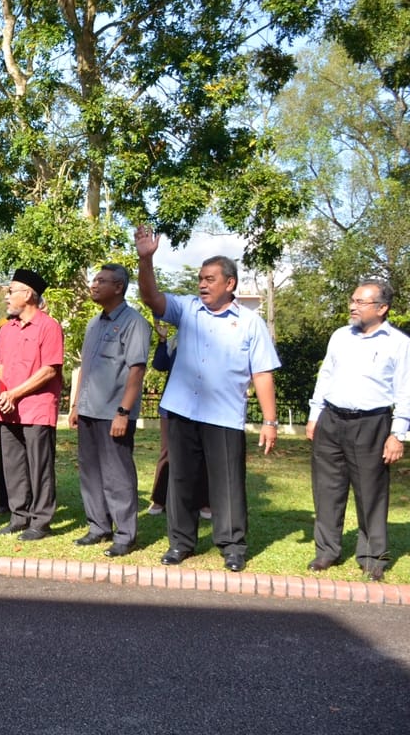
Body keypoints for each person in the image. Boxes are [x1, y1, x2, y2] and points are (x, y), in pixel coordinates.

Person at [134, 225, 280, 573]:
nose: (202, 284)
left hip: (224, 416)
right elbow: (151, 298)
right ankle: (180, 543)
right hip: (183, 411)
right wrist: (145, 261)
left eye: (210, 279)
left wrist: (270, 422)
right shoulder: (187, 309)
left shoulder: (249, 323)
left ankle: (232, 547)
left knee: (227, 485)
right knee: (181, 480)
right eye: (200, 278)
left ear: (230, 284)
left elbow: (262, 373)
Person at [305, 279, 410, 582]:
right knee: (327, 489)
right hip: (332, 420)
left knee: (370, 492)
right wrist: (315, 415)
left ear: (382, 308)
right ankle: (327, 551)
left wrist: (397, 434)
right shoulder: (340, 336)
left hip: (372, 423)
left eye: (361, 302)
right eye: (352, 300)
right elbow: (326, 375)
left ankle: (372, 556)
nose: (352, 306)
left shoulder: (398, 343)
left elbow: (405, 391)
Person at [67, 265, 150, 556]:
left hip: (114, 412)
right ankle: (98, 527)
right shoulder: (93, 324)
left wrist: (124, 412)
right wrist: (76, 404)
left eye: (101, 281)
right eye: (93, 280)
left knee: (117, 475)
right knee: (90, 472)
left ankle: (125, 534)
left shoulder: (134, 323)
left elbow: (136, 371)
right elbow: (86, 368)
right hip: (89, 409)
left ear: (118, 287)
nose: (94, 285)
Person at [0, 268, 64, 541]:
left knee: (39, 466)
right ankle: (18, 516)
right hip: (7, 408)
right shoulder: (6, 329)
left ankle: (41, 521)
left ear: (28, 295)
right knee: (12, 465)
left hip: (37, 408)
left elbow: (49, 370)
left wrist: (16, 394)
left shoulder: (49, 326)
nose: (7, 297)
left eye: (11, 291)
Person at [146, 321, 210, 518]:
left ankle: (204, 503)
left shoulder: (210, 341)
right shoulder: (175, 341)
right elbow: (159, 365)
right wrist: (163, 339)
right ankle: (159, 499)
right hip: (171, 406)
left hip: (201, 406)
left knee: (201, 454)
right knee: (167, 452)